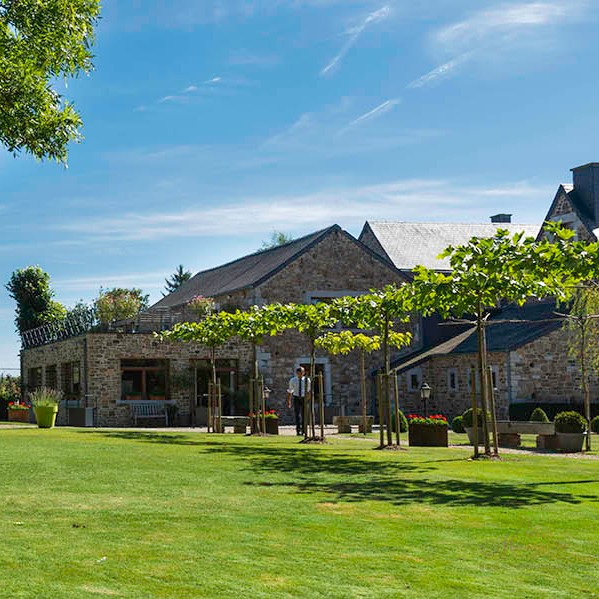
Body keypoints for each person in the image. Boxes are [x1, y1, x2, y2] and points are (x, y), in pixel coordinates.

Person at [287, 366, 311, 436]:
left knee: (304, 415)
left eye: (302, 372)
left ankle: (304, 430)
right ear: (297, 373)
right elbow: (290, 391)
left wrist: (308, 399)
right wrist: (289, 401)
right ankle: (298, 430)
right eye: (299, 373)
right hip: (296, 398)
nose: (300, 374)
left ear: (303, 373)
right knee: (297, 415)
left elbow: (309, 391)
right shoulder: (293, 380)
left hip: (304, 398)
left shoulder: (307, 380)